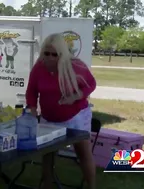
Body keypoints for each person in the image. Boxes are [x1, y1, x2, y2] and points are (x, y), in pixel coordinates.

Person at [26, 33, 97, 189]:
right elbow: (31, 91)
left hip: (76, 116)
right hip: (48, 118)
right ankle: (47, 185)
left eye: (54, 54)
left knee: (83, 152)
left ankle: (91, 186)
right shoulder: (38, 68)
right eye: (47, 53)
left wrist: (75, 97)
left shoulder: (75, 66)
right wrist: (31, 110)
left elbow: (91, 84)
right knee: (48, 154)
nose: (50, 58)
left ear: (62, 54)